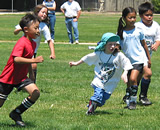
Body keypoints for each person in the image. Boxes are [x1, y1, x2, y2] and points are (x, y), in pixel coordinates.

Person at [69, 33, 133, 115]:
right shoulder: (99, 54)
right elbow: (87, 58)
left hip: (111, 82)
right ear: (104, 44)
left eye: (114, 44)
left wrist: (125, 73)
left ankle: (91, 104)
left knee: (102, 100)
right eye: (110, 44)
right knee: (98, 95)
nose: (112, 46)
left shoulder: (119, 55)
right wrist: (76, 63)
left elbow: (126, 63)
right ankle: (90, 111)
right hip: (99, 80)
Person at [0, 13, 44, 127]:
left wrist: (31, 75)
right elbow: (17, 59)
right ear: (26, 29)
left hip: (21, 77)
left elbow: (27, 58)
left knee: (35, 93)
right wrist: (35, 61)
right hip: (8, 78)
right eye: (35, 28)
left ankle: (16, 113)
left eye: (38, 28)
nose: (38, 31)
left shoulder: (33, 44)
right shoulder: (22, 42)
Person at [117, 7, 151, 110]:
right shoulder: (121, 32)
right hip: (127, 61)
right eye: (130, 18)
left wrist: (148, 59)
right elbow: (119, 46)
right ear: (124, 18)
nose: (132, 20)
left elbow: (144, 45)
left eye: (134, 17)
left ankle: (133, 101)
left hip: (139, 60)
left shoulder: (138, 30)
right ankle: (128, 97)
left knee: (133, 79)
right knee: (128, 83)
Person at [14, 4, 56, 83]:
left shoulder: (43, 26)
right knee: (29, 65)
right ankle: (27, 84)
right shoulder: (28, 22)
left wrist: (52, 53)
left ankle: (30, 84)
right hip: (23, 49)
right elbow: (15, 32)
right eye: (42, 12)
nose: (44, 14)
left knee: (31, 66)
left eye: (46, 13)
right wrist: (20, 29)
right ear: (37, 12)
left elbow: (49, 40)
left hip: (32, 50)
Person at [135, 2, 160, 105]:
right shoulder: (137, 26)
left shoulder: (156, 25)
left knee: (138, 76)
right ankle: (143, 97)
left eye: (151, 15)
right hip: (138, 54)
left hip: (148, 54)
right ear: (141, 15)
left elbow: (158, 38)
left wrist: (156, 45)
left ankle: (130, 94)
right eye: (147, 15)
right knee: (148, 73)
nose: (150, 17)